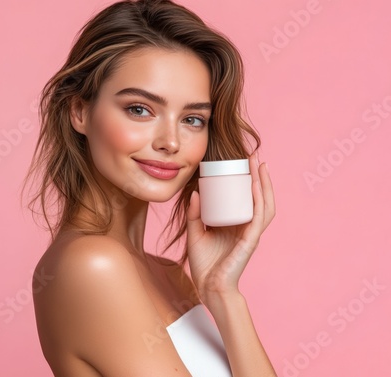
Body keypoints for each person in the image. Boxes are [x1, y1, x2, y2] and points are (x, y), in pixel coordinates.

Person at [23, 0, 276, 376]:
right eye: (140, 109)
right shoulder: (92, 266)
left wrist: (225, 294)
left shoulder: (168, 274)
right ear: (79, 111)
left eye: (192, 119)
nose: (171, 142)